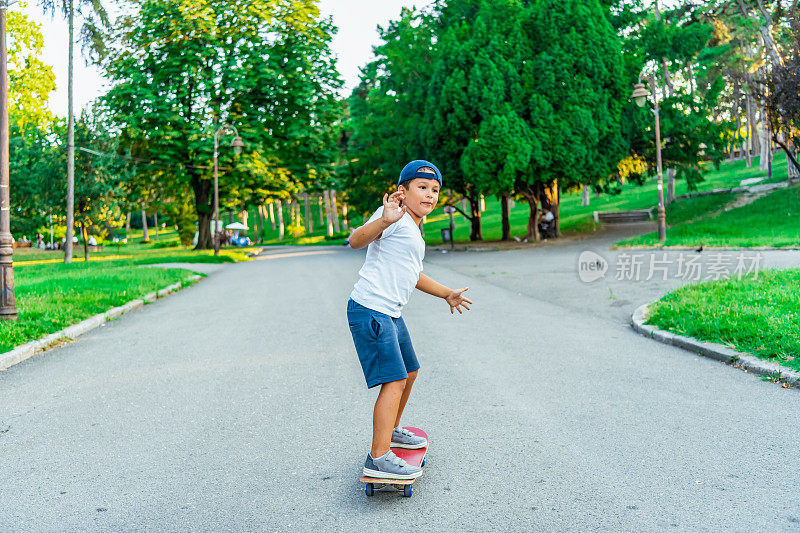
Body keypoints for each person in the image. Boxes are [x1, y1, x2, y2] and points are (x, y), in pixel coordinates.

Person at [346, 159, 473, 481]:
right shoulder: (393, 214)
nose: (430, 195)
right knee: (394, 380)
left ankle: (392, 431)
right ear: (402, 191)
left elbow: (412, 274)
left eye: (435, 190)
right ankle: (378, 457)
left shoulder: (414, 227)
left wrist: (446, 293)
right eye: (422, 187)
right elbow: (356, 240)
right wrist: (384, 221)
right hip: (371, 309)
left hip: (390, 312)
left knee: (410, 371)